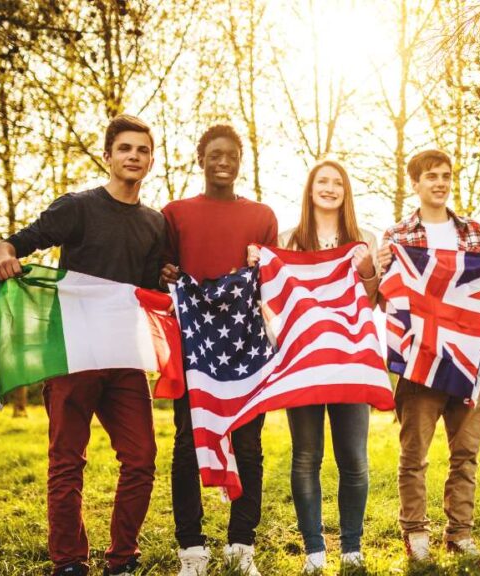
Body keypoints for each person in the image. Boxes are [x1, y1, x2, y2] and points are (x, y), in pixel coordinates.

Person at [0, 115, 165, 576]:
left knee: (142, 458)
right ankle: (69, 561)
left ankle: (122, 558)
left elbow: (147, 290)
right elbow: (18, 242)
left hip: (125, 355)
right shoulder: (78, 207)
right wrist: (4, 255)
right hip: (72, 351)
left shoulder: (154, 223)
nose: (134, 156)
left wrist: (167, 279)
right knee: (68, 460)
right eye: (125, 148)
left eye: (143, 150)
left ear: (150, 160)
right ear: (108, 157)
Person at [159, 124, 278, 576]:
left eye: (231, 154)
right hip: (196, 348)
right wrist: (165, 272)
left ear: (240, 160)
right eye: (214, 154)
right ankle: (192, 549)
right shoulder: (175, 213)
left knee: (248, 447)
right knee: (188, 443)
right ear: (200, 158)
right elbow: (162, 270)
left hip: (248, 349)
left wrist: (262, 269)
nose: (222, 161)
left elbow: (277, 280)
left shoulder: (262, 216)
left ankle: (241, 546)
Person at [376, 149, 480, 562]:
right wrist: (378, 270)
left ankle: (459, 533)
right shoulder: (397, 237)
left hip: (467, 361)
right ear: (415, 183)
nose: (440, 182)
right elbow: (382, 301)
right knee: (415, 455)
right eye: (431, 176)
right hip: (420, 362)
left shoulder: (475, 233)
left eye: (446, 175)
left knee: (465, 454)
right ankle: (416, 534)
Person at [276, 160, 378, 573]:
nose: (330, 188)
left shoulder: (365, 238)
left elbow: (371, 301)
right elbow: (276, 299)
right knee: (306, 457)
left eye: (338, 182)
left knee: (354, 458)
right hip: (303, 363)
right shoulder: (287, 239)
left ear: (346, 192)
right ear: (310, 188)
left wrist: (367, 267)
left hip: (352, 362)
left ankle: (351, 548)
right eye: (323, 181)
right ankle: (314, 550)